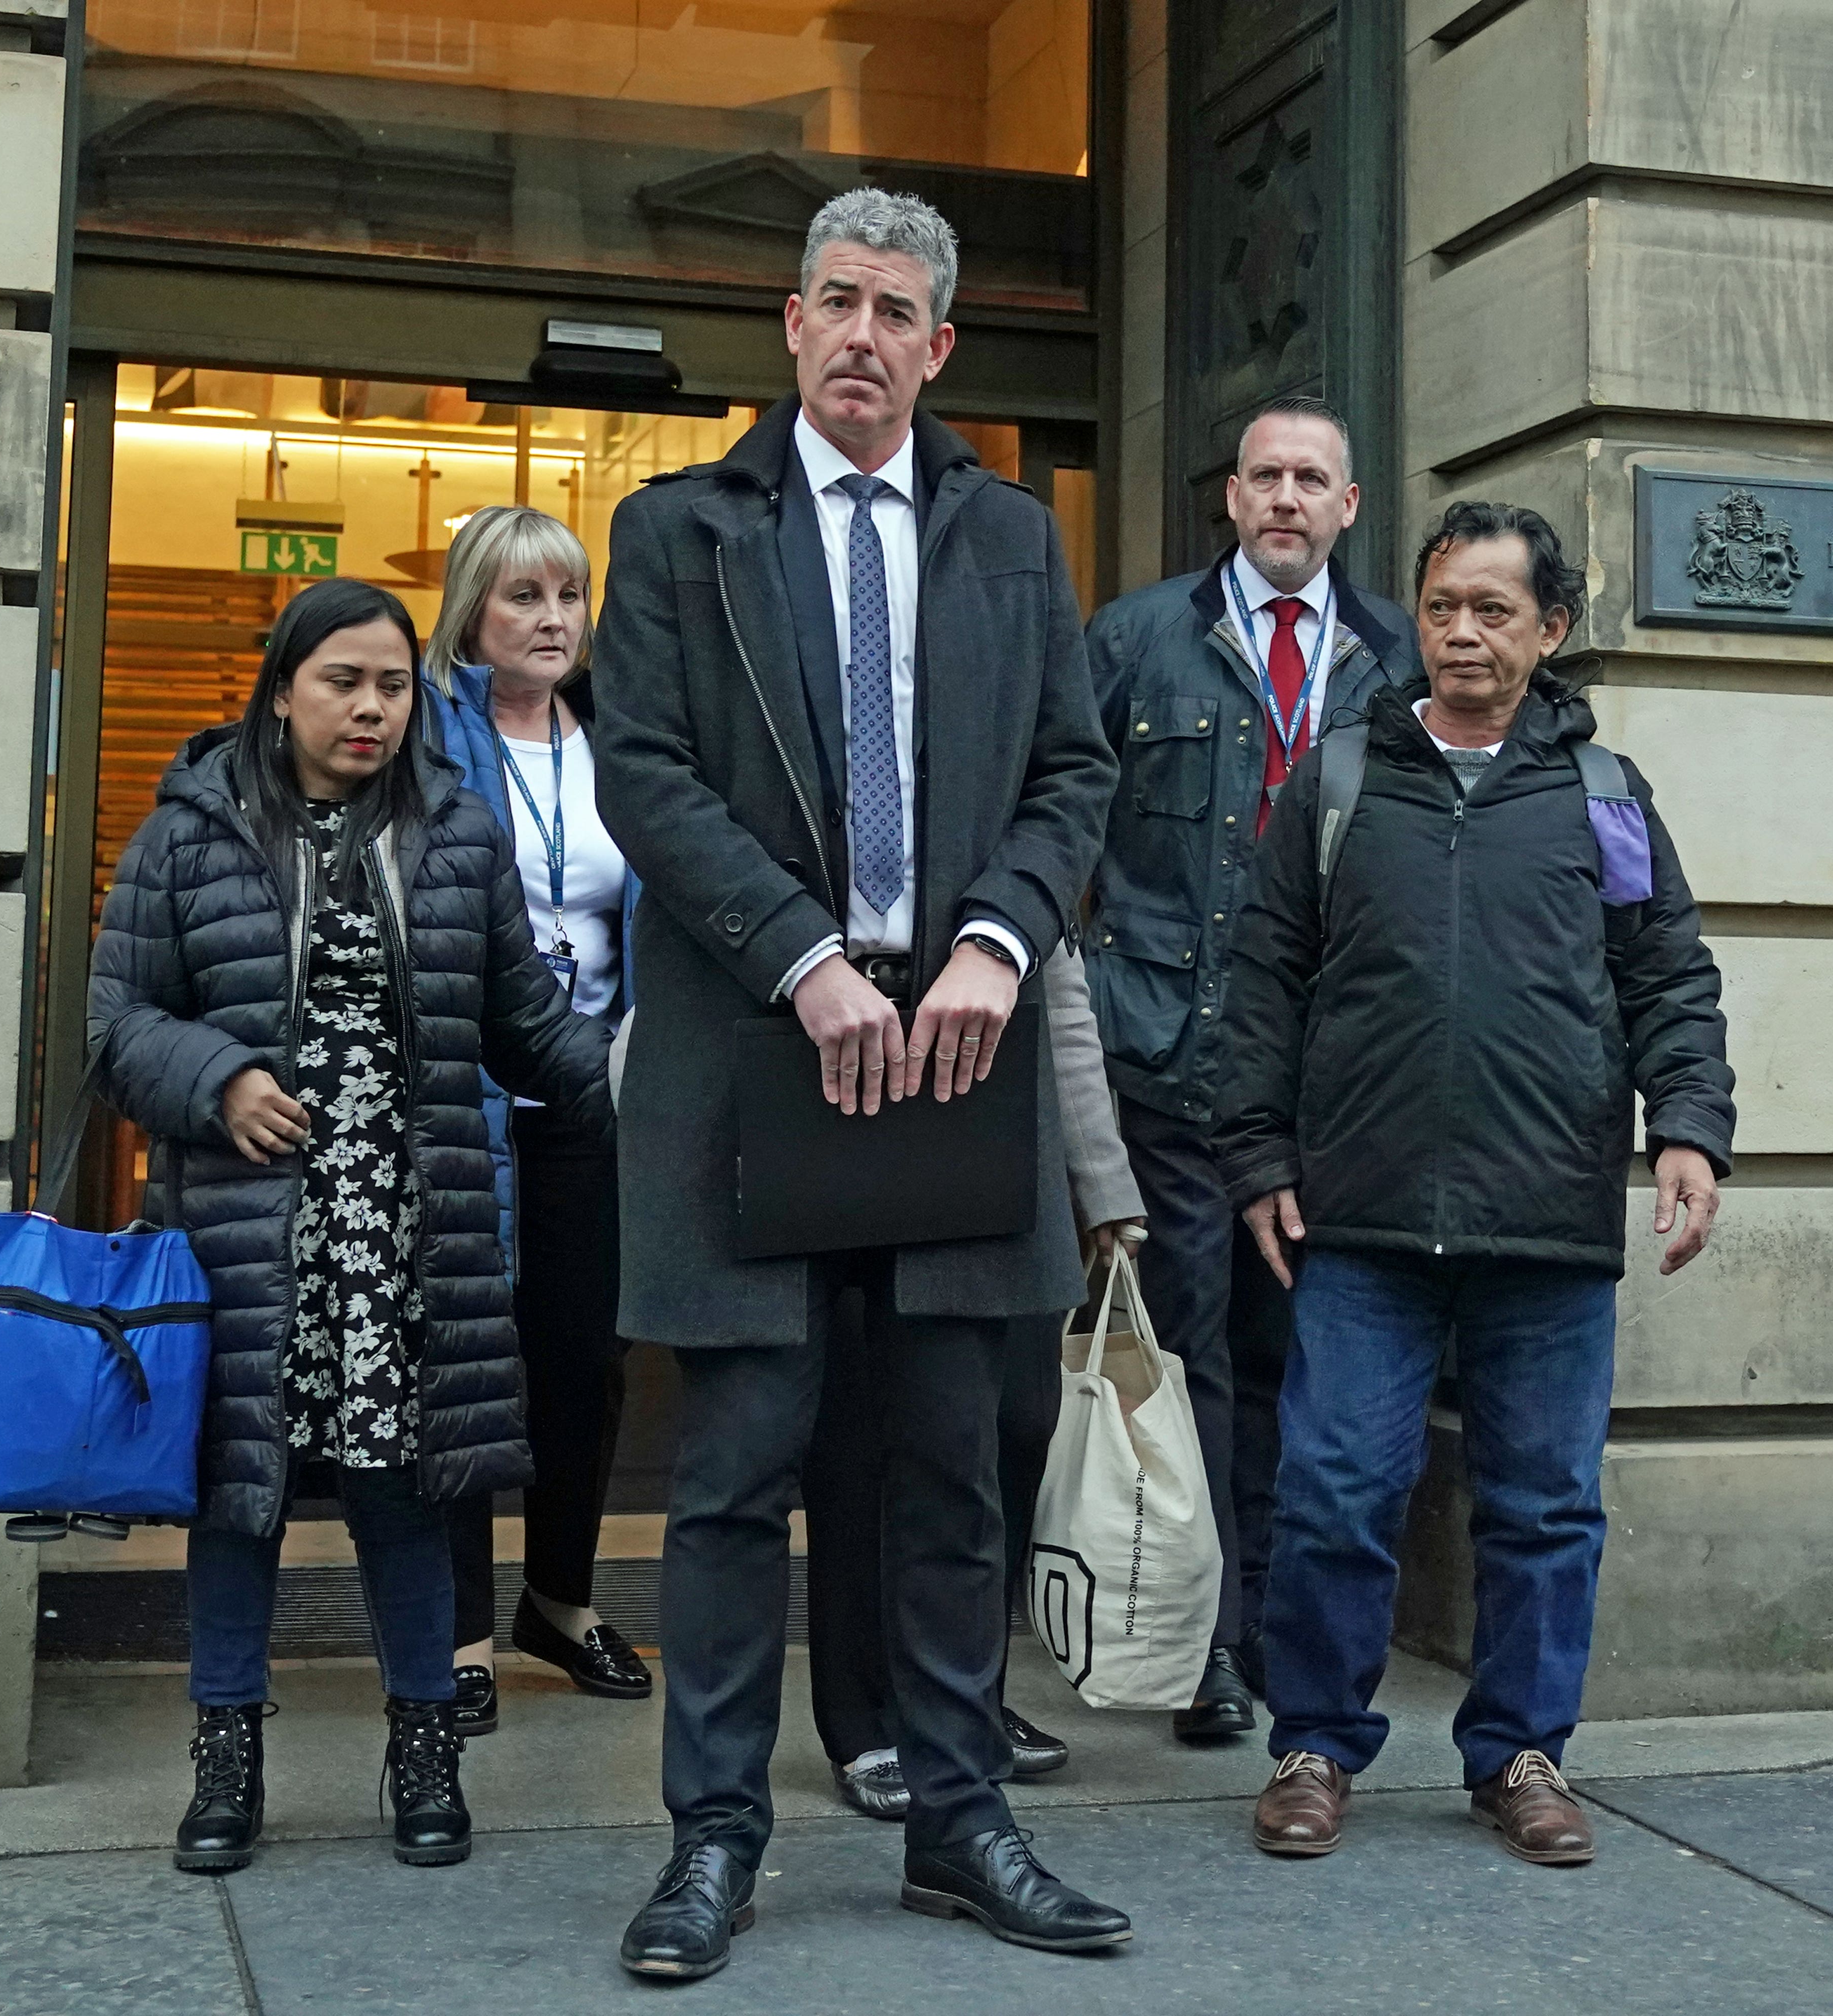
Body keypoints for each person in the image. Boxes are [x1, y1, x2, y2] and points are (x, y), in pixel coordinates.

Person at [591, 187, 1125, 1979]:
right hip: (765, 1040)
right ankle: (716, 1842)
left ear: (941, 347)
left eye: (900, 311)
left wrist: (996, 944)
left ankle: (964, 1827)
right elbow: (647, 780)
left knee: (952, 1468)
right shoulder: (679, 532)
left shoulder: (1011, 541)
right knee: (739, 1468)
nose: (864, 336)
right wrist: (805, 958)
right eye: (838, 301)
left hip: (957, 1041)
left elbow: (1075, 773)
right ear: (791, 322)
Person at [1213, 501, 1735, 1867]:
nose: (1461, 633)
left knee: (1546, 1505)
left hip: (1548, 1221)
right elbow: (1262, 981)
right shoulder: (1337, 782)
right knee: (1332, 1489)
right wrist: (1259, 1154)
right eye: (1442, 606)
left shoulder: (1605, 797)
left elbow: (1668, 977)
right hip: (1365, 1218)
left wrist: (1688, 1126)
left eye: (1493, 611)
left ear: (1548, 631)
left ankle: (1520, 1754)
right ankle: (1316, 1743)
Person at [89, 577, 613, 1878]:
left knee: (407, 1492)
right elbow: (115, 1024)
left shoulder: (455, 834)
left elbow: (524, 1026)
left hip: (407, 1226)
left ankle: (424, 1753)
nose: (371, 707)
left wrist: (652, 1085)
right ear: (281, 691)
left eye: (389, 683)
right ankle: (225, 1766)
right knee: (238, 1505)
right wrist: (218, 1080)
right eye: (342, 682)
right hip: (245, 1231)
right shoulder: (191, 831)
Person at [1078, 394, 1418, 1741]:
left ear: (1347, 508)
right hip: (1166, 1060)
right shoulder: (1139, 640)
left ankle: (1287, 1625)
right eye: (1264, 476)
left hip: (1333, 1080)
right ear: (1230, 498)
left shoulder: (1394, 653)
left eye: (1311, 480)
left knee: (1307, 1360)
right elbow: (1060, 822)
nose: (1285, 498)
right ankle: (1207, 1643)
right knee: (1194, 1357)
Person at [806, 940, 1143, 1818]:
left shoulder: (1015, 819)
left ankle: (965, 1694)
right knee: (861, 1444)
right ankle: (865, 1720)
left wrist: (1101, 1184)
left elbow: (1059, 1002)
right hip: (834, 1118)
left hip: (993, 1129)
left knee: (1018, 1423)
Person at [421, 505, 649, 1737]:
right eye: (523, 597)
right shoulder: (431, 733)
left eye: (568, 595)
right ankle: (457, 1631)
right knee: (464, 1358)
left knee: (584, 1359)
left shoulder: (617, 736)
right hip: (462, 1094)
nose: (554, 618)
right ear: (474, 611)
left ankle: (558, 1599)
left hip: (590, 1092)